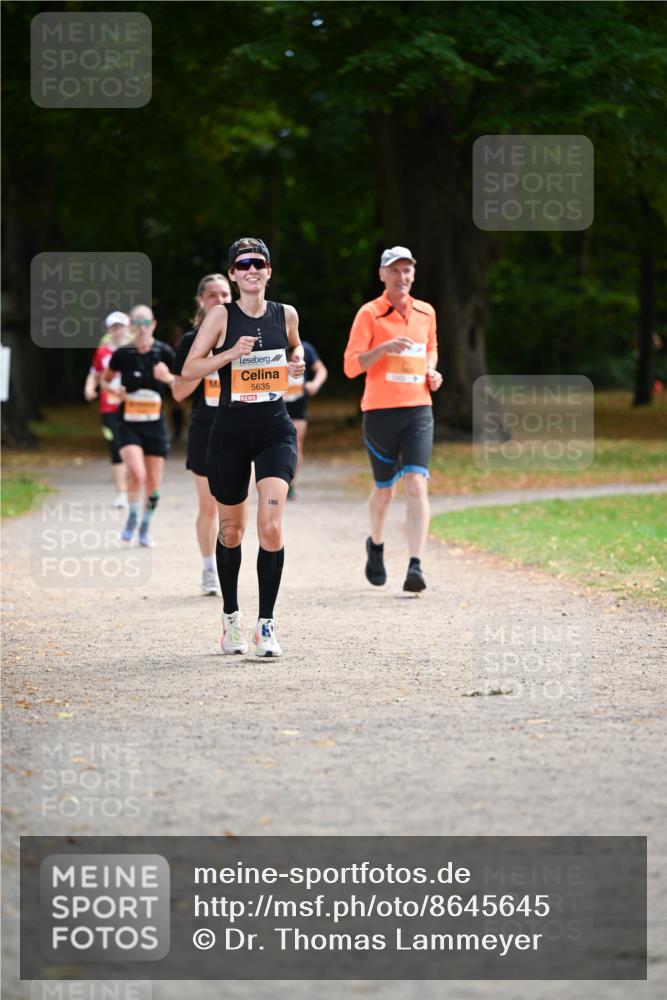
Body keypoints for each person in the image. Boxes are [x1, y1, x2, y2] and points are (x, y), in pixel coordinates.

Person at [182, 238, 305, 657]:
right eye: (243, 264)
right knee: (231, 530)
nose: (252, 269)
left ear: (269, 271)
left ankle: (266, 625)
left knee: (270, 527)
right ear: (233, 274)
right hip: (230, 433)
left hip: (275, 431)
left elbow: (295, 345)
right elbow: (190, 368)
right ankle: (231, 618)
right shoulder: (221, 316)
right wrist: (230, 353)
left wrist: (297, 360)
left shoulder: (286, 314)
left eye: (259, 263)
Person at [343, 246, 443, 592]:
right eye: (395, 270)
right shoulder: (369, 314)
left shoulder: (426, 312)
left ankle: (416, 565)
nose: (402, 276)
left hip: (418, 408)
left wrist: (432, 371)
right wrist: (383, 349)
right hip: (380, 411)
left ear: (414, 274)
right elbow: (351, 366)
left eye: (407, 270)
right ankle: (376, 544)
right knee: (385, 491)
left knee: (416, 483)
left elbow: (430, 349)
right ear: (382, 275)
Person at [172, 274, 233, 595]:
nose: (220, 300)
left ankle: (228, 564)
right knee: (209, 507)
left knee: (233, 507)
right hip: (205, 431)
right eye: (213, 295)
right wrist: (206, 362)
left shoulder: (246, 335)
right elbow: (178, 393)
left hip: (241, 429)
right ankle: (210, 568)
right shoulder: (190, 341)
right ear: (201, 300)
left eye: (225, 294)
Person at [102, 304, 177, 547]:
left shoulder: (164, 352)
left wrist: (167, 378)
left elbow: (183, 385)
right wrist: (115, 392)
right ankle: (132, 519)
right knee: (137, 473)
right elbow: (105, 381)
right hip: (128, 423)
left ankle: (145, 526)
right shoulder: (122, 354)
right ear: (131, 326)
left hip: (155, 424)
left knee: (153, 482)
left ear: (153, 324)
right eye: (137, 323)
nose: (142, 328)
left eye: (146, 323)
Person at [83, 311, 131, 507]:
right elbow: (94, 373)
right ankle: (121, 492)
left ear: (128, 328)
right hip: (109, 406)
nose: (117, 330)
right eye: (114, 327)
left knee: (134, 447)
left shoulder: (136, 349)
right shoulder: (103, 352)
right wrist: (89, 388)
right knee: (116, 446)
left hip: (133, 406)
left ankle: (136, 488)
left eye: (121, 326)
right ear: (109, 330)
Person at [284, 340, 328, 498]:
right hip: (275, 402)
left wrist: (315, 384)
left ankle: (291, 484)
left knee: (296, 444)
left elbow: (321, 370)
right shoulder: (271, 344)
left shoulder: (305, 348)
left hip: (298, 403)